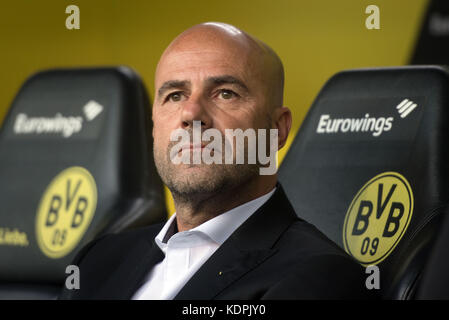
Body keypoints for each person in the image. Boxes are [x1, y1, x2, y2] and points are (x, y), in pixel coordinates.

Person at [60, 22, 372, 300]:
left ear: (277, 130)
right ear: (154, 127)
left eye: (225, 94)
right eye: (175, 95)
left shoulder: (321, 279)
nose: (191, 114)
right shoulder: (98, 261)